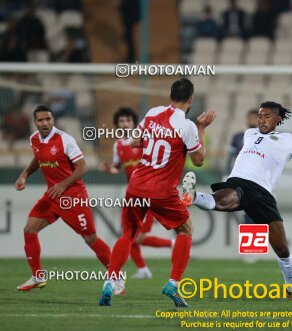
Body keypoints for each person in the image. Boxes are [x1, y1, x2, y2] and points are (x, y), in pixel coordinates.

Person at [181, 101, 292, 304]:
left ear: (278, 119)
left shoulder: (287, 140)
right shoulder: (249, 134)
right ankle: (193, 197)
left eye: (267, 116)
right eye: (260, 116)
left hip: (263, 193)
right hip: (240, 182)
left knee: (282, 248)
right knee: (224, 200)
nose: (261, 120)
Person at [98, 79, 216, 307]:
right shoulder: (188, 126)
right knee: (186, 229)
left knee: (128, 235)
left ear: (170, 95)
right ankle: (173, 283)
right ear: (190, 100)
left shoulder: (153, 113)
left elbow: (134, 142)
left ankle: (109, 282)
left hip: (136, 185)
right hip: (162, 190)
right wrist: (201, 128)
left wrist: (155, 140)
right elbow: (199, 161)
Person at [15, 105, 112, 291]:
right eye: (41, 120)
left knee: (90, 238)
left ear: (53, 120)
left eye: (48, 119)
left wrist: (62, 184)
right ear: (34, 122)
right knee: (29, 229)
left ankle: (116, 276)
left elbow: (83, 167)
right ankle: (37, 276)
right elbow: (38, 157)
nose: (45, 123)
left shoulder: (64, 139)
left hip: (73, 196)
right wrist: (24, 174)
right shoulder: (34, 139)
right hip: (52, 196)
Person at [98, 107, 174, 279]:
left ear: (134, 123)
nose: (125, 124)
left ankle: (172, 244)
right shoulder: (118, 145)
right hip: (133, 195)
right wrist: (108, 169)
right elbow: (117, 168)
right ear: (118, 125)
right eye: (122, 121)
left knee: (134, 237)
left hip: (149, 194)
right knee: (129, 235)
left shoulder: (146, 139)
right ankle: (143, 269)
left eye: (128, 120)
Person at [225, 109, 259, 175]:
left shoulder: (264, 138)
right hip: (240, 174)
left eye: (255, 118)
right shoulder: (237, 137)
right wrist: (228, 174)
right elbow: (230, 159)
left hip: (257, 175)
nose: (253, 120)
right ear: (247, 119)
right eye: (251, 118)